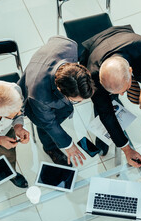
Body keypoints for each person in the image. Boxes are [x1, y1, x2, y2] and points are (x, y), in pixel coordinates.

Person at [80, 25, 141, 167]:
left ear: (131, 71)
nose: (122, 94)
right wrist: (127, 149)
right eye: (117, 92)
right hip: (95, 47)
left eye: (123, 90)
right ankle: (103, 138)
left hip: (125, 38)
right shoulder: (93, 74)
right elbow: (106, 113)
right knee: (102, 105)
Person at [18, 36, 95, 167]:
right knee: (45, 127)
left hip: (44, 67)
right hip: (32, 98)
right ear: (60, 90)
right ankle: (49, 148)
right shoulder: (40, 97)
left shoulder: (69, 46)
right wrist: (68, 145)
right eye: (75, 101)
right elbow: (49, 123)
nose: (79, 102)